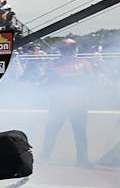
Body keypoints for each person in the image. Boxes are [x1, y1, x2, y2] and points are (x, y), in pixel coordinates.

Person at [40, 38, 93, 167]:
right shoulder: (53, 64)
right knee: (51, 133)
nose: (71, 51)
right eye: (68, 49)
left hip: (79, 105)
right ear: (62, 51)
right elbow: (49, 81)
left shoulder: (84, 63)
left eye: (72, 48)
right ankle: (45, 158)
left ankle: (82, 160)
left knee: (80, 134)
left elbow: (90, 80)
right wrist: (75, 78)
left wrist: (65, 79)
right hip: (59, 105)